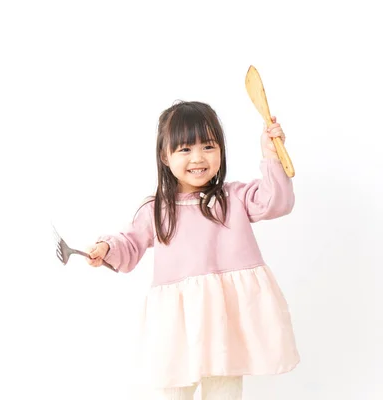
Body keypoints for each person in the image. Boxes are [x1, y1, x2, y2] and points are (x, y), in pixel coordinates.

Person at [86, 101, 299, 399]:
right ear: (165, 155)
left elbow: (276, 202)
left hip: (224, 326)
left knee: (224, 392)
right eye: (185, 149)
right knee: (174, 392)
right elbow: (130, 243)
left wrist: (271, 154)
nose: (198, 158)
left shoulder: (234, 197)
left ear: (221, 151)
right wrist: (107, 247)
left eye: (208, 146)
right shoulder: (157, 210)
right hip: (177, 329)